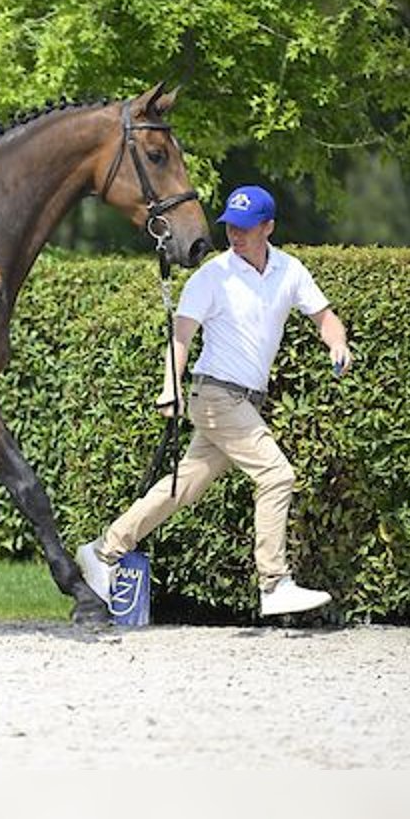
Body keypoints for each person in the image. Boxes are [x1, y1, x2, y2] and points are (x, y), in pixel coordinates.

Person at [76, 184, 352, 617]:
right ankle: (274, 583)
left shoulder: (290, 271)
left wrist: (338, 344)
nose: (235, 235)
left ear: (268, 227)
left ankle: (104, 550)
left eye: (245, 228)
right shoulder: (213, 276)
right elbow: (180, 337)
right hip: (215, 395)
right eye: (230, 227)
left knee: (180, 488)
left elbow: (325, 317)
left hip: (245, 401)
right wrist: (171, 385)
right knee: (278, 475)